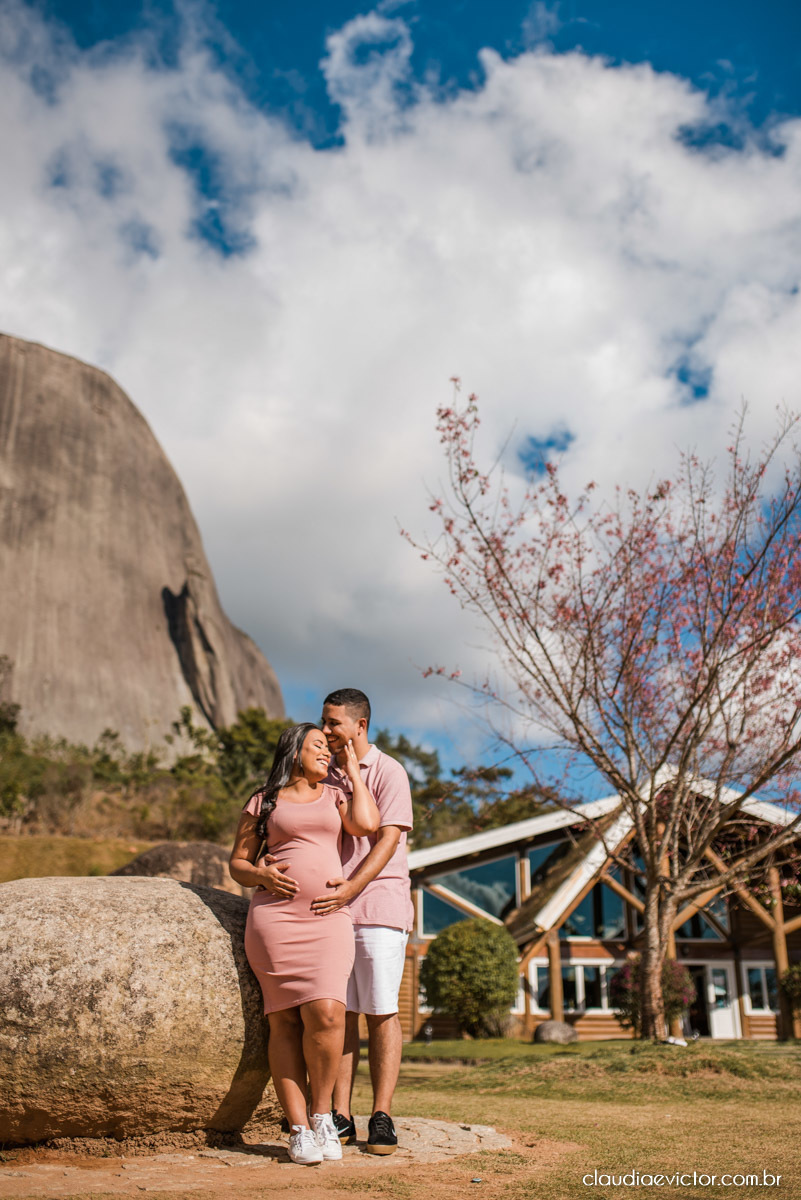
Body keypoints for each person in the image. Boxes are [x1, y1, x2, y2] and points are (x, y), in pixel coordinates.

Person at [229, 722, 379, 1166]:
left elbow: (368, 823)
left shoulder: (336, 793)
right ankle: (297, 1129)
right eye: (319, 745)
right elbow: (238, 862)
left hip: (327, 918)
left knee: (329, 1013)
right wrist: (259, 874)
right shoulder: (264, 800)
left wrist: (352, 768)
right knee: (285, 1023)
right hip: (275, 920)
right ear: (295, 751)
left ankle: (323, 1117)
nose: (326, 753)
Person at [310, 688, 415, 1156]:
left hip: (378, 908)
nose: (326, 730)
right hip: (332, 910)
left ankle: (383, 1115)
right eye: (324, 722)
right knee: (341, 1014)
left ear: (360, 725)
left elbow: (387, 841)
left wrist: (354, 888)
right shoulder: (322, 773)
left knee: (381, 1011)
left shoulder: (390, 772)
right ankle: (340, 1115)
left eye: (334, 723)